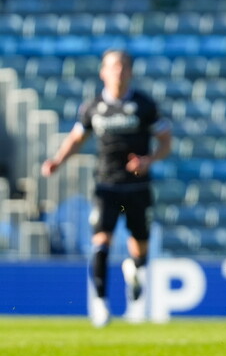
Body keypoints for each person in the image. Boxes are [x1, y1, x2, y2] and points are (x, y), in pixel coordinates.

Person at [41, 50, 172, 327]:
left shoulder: (144, 105)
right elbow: (77, 138)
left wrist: (148, 160)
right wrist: (57, 161)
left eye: (123, 67)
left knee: (140, 249)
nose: (118, 72)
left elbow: (165, 141)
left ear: (131, 72)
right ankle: (100, 303)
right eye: (113, 67)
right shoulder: (93, 107)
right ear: (103, 72)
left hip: (137, 187)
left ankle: (134, 270)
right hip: (106, 186)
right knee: (101, 241)